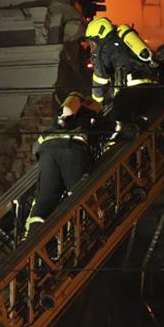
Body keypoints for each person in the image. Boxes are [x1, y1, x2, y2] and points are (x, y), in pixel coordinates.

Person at [24, 92, 113, 239]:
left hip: (47, 154)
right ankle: (88, 234)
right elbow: (114, 128)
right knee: (79, 196)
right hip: (73, 151)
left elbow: (35, 148)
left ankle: (31, 238)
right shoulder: (91, 117)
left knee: (45, 200)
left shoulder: (55, 122)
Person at [84, 17, 162, 138]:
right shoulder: (124, 40)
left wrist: (97, 101)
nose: (92, 46)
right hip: (153, 87)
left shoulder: (104, 48)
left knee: (116, 122)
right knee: (143, 118)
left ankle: (120, 143)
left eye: (92, 41)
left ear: (98, 36)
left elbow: (100, 78)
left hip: (131, 90)